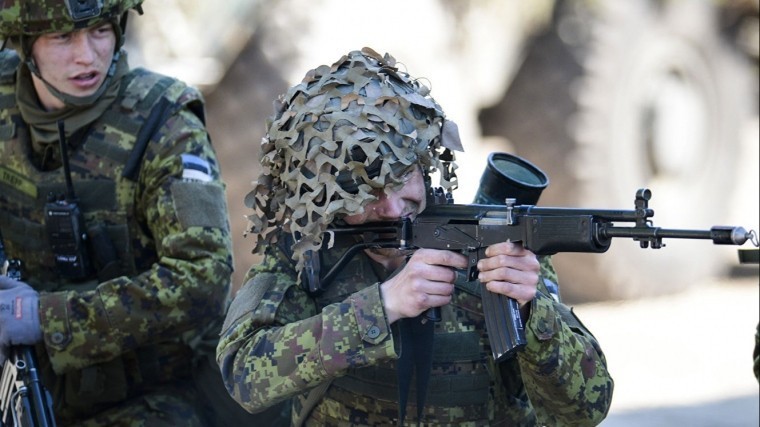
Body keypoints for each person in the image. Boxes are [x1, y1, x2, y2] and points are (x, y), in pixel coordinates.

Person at [217, 47, 614, 426]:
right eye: (364, 192)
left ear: (423, 165)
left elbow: (586, 409)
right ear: (327, 196)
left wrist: (533, 312)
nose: (390, 207)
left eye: (399, 179)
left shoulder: (493, 242)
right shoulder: (308, 252)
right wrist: (383, 306)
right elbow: (243, 376)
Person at [0, 0, 239, 425]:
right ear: (24, 44)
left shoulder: (165, 123)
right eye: (62, 37)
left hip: (154, 393)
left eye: (100, 31)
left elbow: (205, 279)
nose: (87, 55)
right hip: (23, 380)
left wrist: (45, 317)